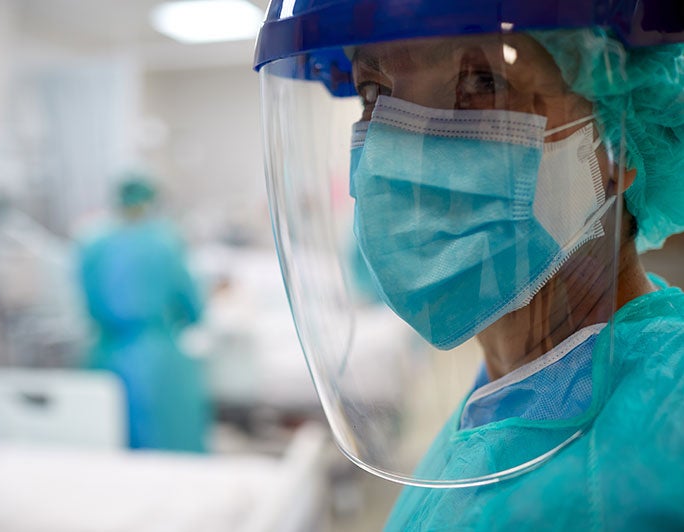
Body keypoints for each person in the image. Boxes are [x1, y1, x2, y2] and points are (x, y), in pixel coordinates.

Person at [253, 1, 684, 529]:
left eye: (482, 82)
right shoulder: (505, 403)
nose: (400, 149)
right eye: (375, 92)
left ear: (618, 141)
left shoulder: (670, 432)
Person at [78, 175, 208, 452]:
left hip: (105, 356)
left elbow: (88, 306)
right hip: (160, 360)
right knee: (167, 446)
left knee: (110, 445)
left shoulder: (93, 245)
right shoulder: (165, 242)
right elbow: (191, 305)